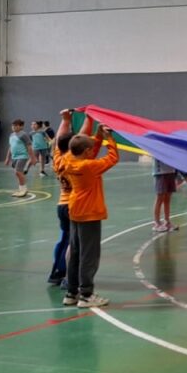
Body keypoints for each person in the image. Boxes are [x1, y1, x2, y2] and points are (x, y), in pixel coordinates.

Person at [62, 123, 119, 308]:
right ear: (86, 152)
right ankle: (86, 294)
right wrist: (110, 139)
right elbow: (112, 158)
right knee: (89, 255)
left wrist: (99, 135)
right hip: (90, 214)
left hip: (75, 211)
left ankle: (71, 293)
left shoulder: (69, 159)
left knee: (75, 252)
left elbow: (90, 149)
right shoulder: (89, 166)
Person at [48, 109, 78, 286]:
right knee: (73, 243)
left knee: (64, 239)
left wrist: (65, 120)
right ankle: (68, 278)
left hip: (62, 204)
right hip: (74, 206)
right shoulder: (75, 163)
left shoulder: (58, 160)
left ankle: (57, 273)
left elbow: (59, 141)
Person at [3, 119, 34, 197]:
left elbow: (29, 146)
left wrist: (32, 158)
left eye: (16, 126)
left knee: (18, 172)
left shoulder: (23, 135)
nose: (14, 127)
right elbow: (10, 147)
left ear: (21, 126)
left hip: (22, 156)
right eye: (13, 126)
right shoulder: (11, 135)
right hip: (14, 157)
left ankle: (24, 189)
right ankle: (21, 189)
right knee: (18, 173)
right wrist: (7, 158)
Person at [152, 158, 180, 233]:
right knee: (160, 198)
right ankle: (157, 223)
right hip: (160, 172)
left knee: (168, 198)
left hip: (171, 171)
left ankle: (167, 222)